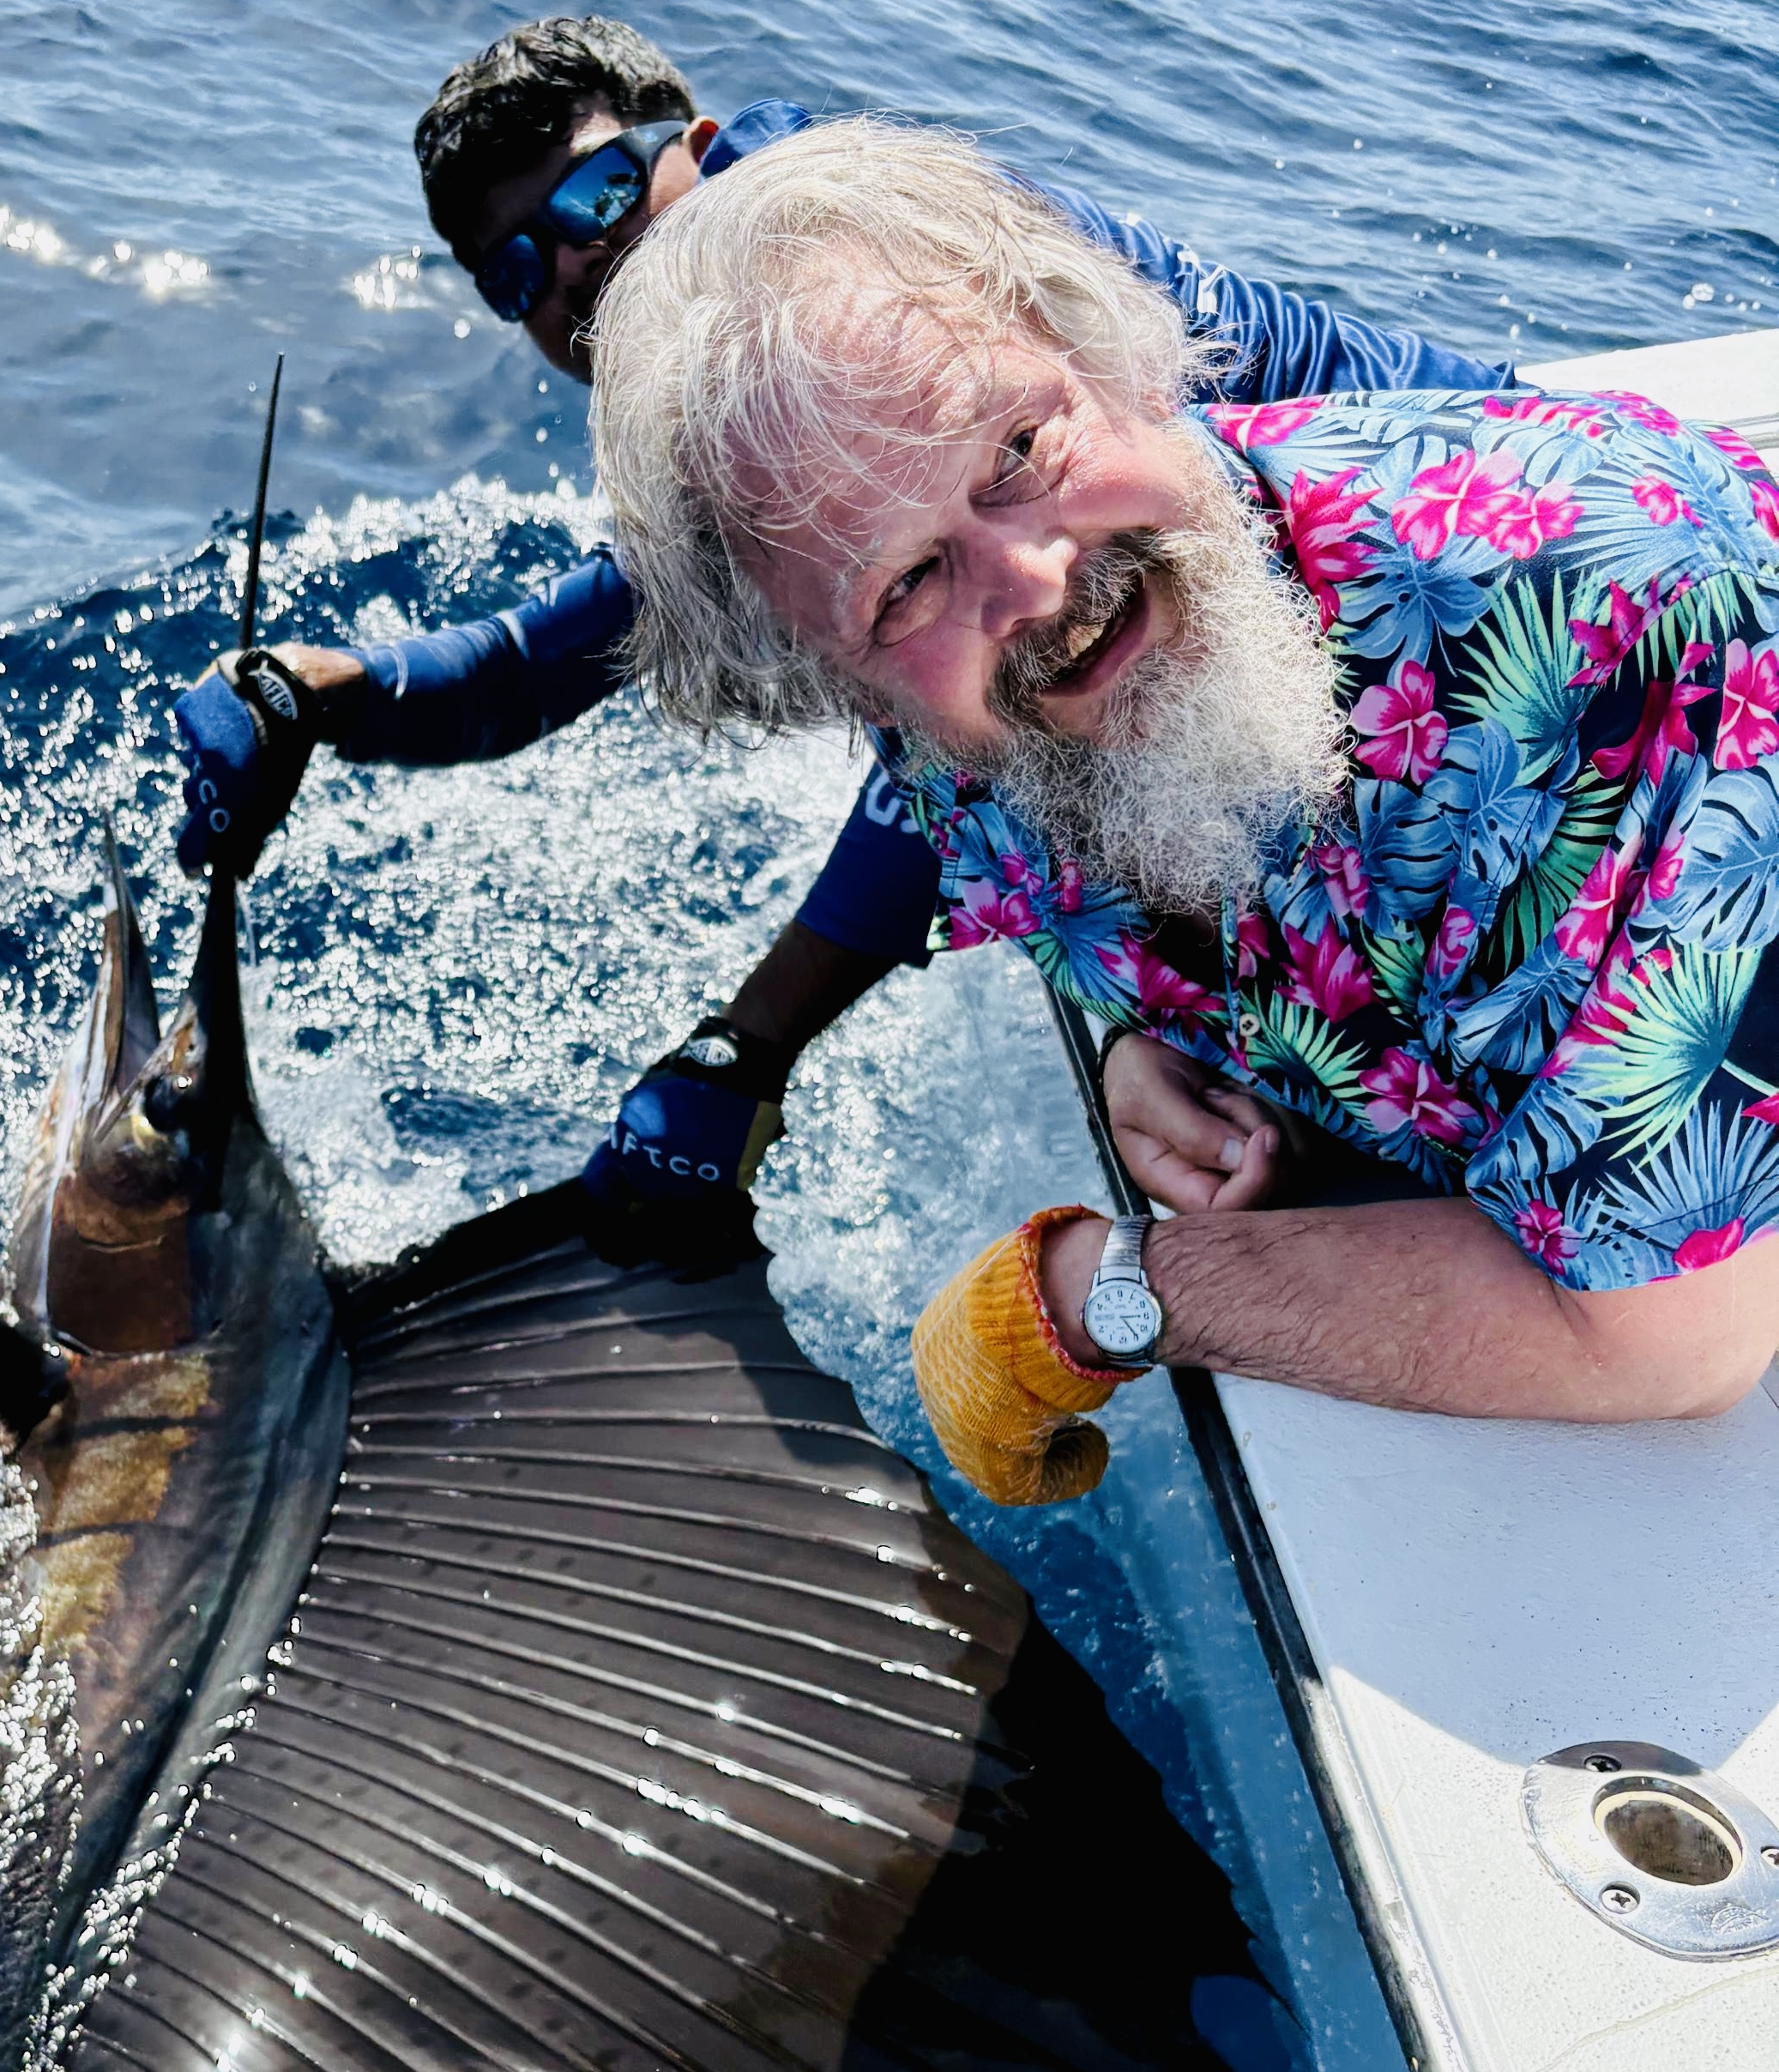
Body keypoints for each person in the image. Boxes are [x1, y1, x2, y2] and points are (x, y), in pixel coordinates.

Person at [581, 117, 1779, 1495]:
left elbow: (1668, 1344)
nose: (1029, 580)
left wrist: (1101, 1297)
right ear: (834, 680)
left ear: (1110, 352)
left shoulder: (1614, 622)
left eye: (1021, 447)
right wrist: (1158, 1043)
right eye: (904, 585)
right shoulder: (968, 726)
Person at [175, 18, 1512, 1238]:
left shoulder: (857, 293)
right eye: (516, 265)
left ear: (694, 147)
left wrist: (747, 1048)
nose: (574, 261)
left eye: (594, 194)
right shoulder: (725, 398)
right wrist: (317, 691)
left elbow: (957, 761)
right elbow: (543, 662)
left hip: (1482, 586)